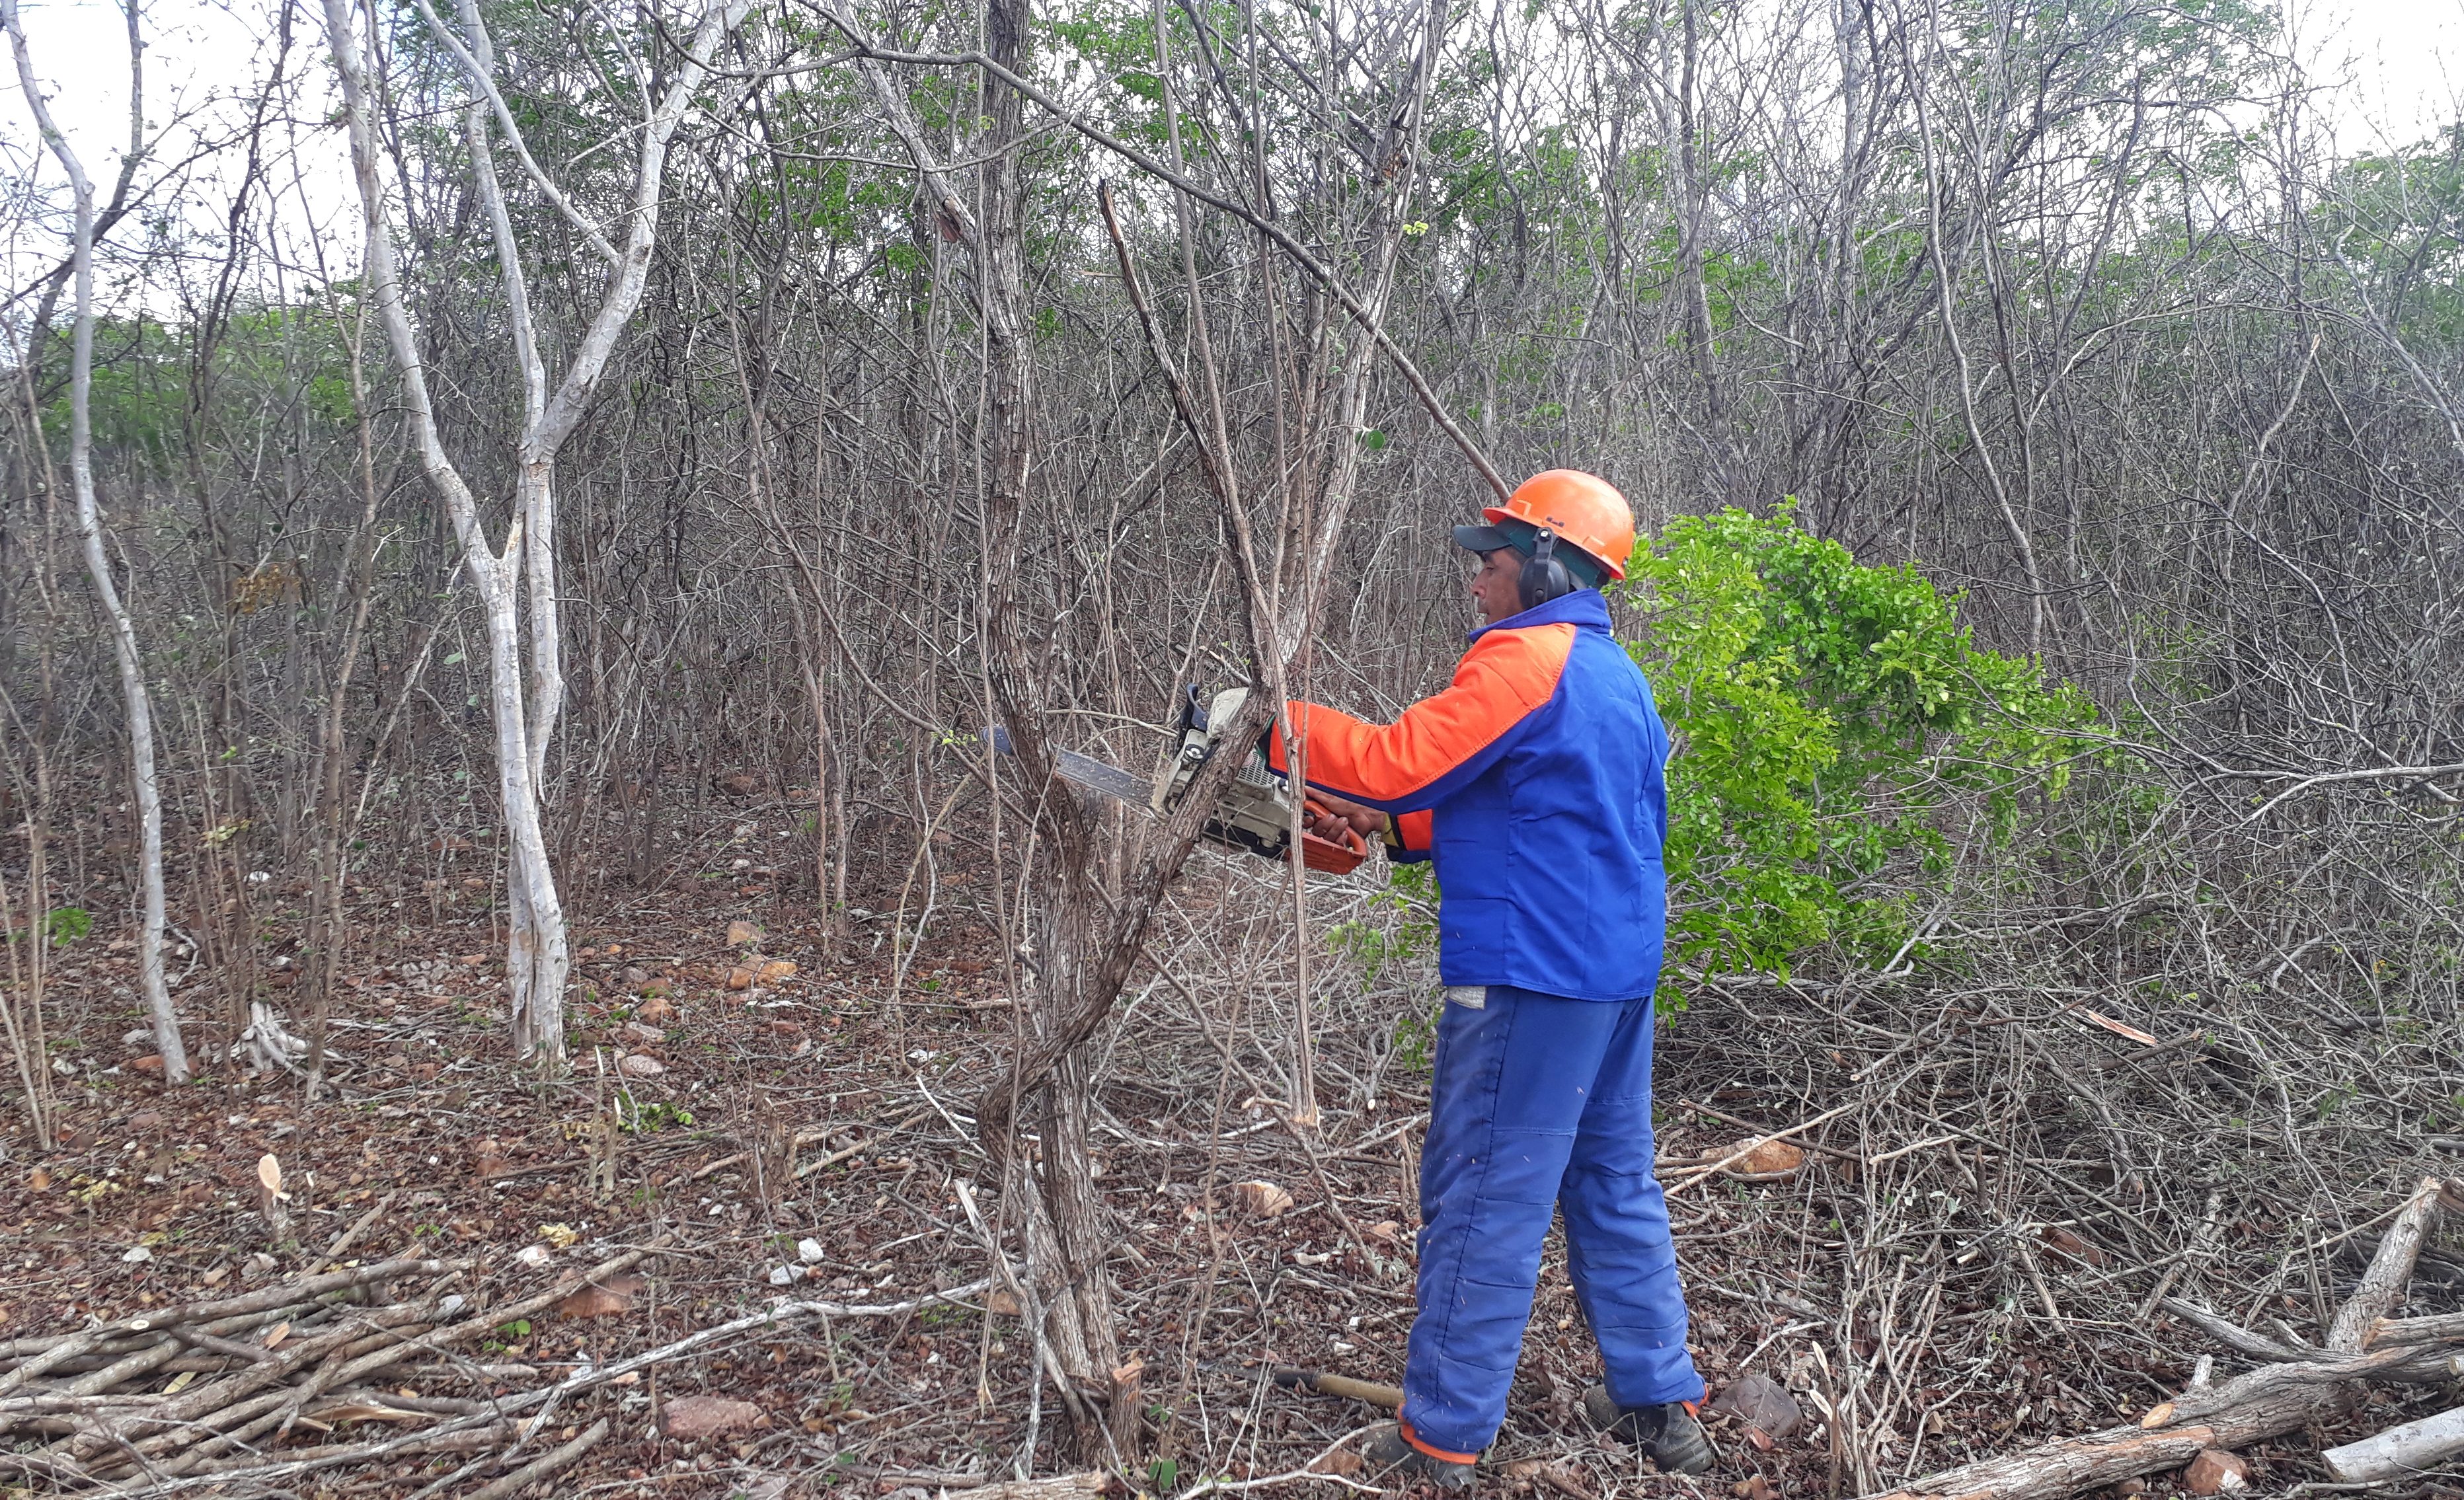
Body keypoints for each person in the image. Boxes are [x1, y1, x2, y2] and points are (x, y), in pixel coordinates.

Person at [1274, 470, 1713, 1487]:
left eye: (1494, 559)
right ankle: (1661, 1404)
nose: (1477, 578)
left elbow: (1393, 762)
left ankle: (1444, 1435)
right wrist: (1394, 829)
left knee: (1482, 1195)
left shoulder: (1528, 656)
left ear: (1548, 566)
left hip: (1531, 975)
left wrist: (1270, 723)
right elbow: (1527, 801)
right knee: (1613, 1183)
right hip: (1610, 976)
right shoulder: (1615, 676)